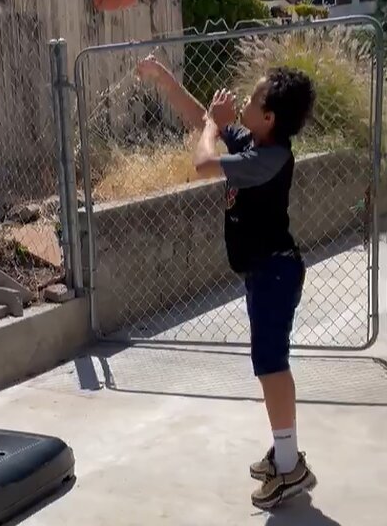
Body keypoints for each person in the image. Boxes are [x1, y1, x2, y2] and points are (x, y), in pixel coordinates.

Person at [137, 55, 317, 509]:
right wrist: (164, 78)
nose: (245, 102)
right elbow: (201, 117)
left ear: (269, 117)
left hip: (275, 271)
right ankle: (285, 453)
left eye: (254, 99)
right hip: (265, 271)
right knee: (270, 365)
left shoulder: (269, 157)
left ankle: (290, 465)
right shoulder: (256, 141)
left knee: (271, 366)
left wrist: (213, 130)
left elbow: (202, 161)